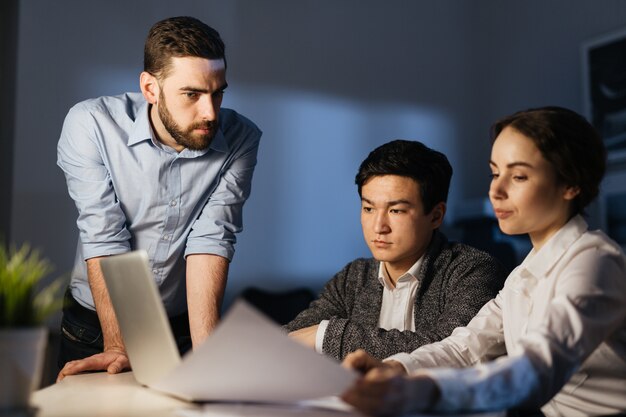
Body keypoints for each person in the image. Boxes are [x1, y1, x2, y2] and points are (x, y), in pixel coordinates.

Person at [341, 107, 626, 417]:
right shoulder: (525, 273)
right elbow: (466, 347)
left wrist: (424, 391)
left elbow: (536, 369)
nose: (495, 190)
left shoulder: (595, 262)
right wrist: (395, 367)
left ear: (571, 185)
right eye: (495, 172)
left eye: (518, 176)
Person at [56, 16, 261, 380]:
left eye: (218, 93)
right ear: (150, 88)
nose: (210, 113)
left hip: (180, 327)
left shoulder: (241, 138)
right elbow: (104, 233)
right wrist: (118, 345)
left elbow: (211, 239)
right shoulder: (91, 123)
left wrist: (207, 353)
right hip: (95, 328)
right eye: (192, 94)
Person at [285, 140, 507, 360]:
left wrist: (327, 336)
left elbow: (449, 351)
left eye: (396, 211)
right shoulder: (353, 278)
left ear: (436, 216)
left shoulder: (472, 270)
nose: (379, 227)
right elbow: (288, 339)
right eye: (368, 208)